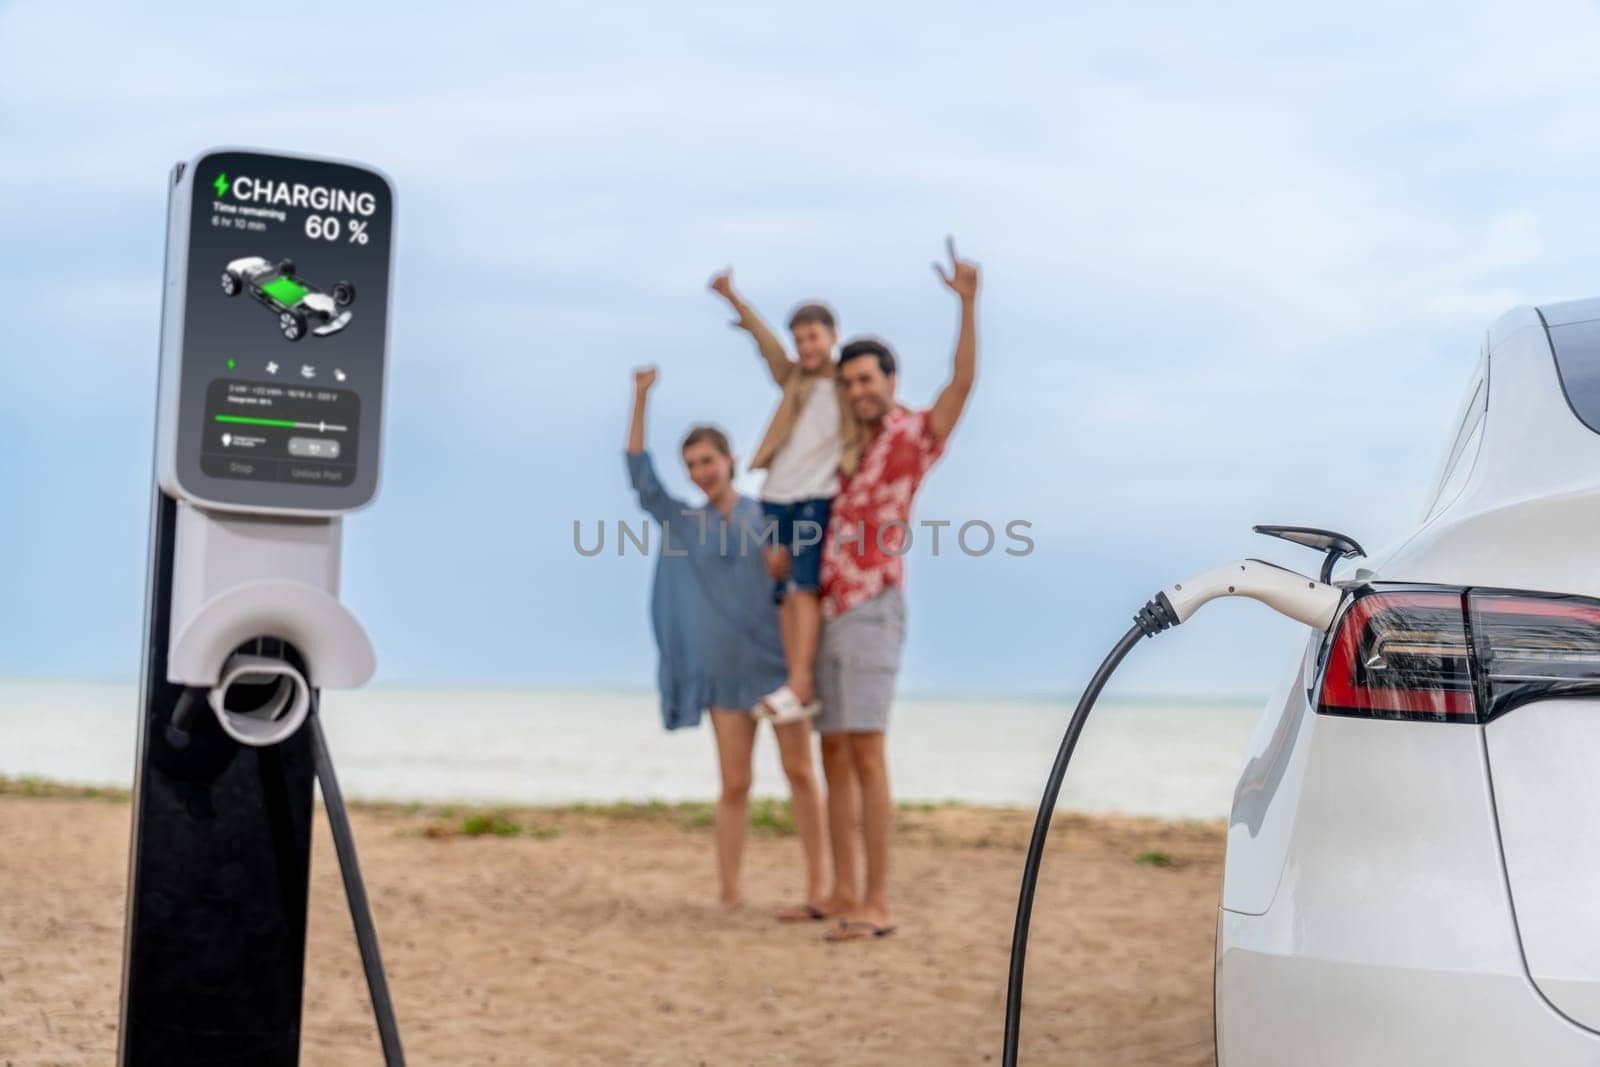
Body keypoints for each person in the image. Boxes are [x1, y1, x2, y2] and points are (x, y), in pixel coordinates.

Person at [814, 239, 980, 942]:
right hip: (823, 607)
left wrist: (967, 304)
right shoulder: (838, 446)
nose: (858, 391)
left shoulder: (914, 434)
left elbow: (961, 385)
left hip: (874, 604)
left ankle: (877, 901)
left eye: (866, 379)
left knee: (867, 750)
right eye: (848, 382)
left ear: (888, 378)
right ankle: (843, 891)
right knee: (834, 752)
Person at [625, 367, 831, 919]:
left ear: (730, 460)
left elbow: (799, 582)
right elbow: (640, 476)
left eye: (708, 461)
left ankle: (818, 887)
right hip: (724, 675)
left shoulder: (767, 515)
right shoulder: (683, 523)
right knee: (734, 784)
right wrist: (640, 397)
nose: (699, 472)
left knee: (801, 775)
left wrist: (782, 561)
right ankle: (729, 892)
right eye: (691, 464)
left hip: (778, 667)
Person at [708, 270, 858, 724]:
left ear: (833, 336)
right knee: (782, 587)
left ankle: (799, 683)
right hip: (776, 494)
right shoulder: (793, 378)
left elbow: (891, 409)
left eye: (813, 337)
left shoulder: (850, 384)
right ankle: (797, 682)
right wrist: (734, 298)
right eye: (799, 339)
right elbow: (764, 343)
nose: (805, 347)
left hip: (818, 494)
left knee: (803, 586)